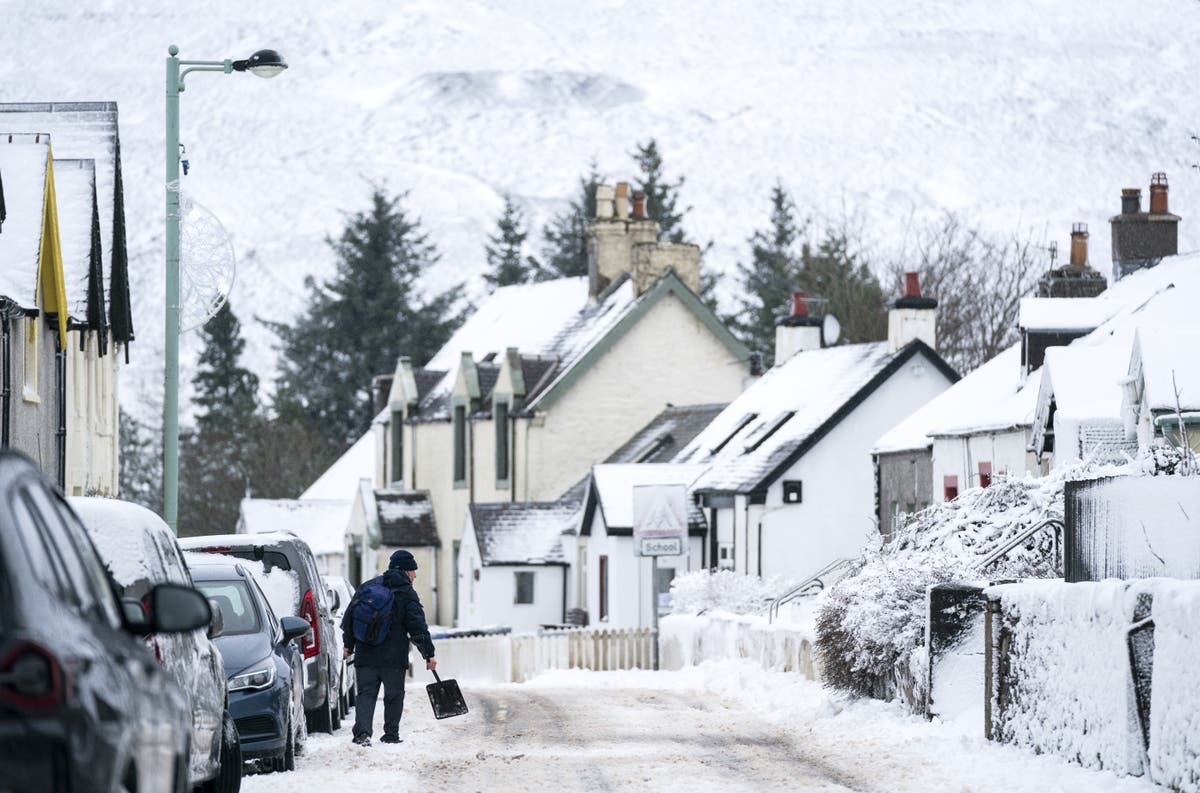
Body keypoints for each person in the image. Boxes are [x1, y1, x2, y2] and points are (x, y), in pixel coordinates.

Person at [342, 549, 436, 746]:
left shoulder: (368, 587)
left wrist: (348, 645)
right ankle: (391, 735)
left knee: (366, 695)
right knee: (394, 696)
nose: (415, 575)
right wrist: (428, 654)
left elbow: (350, 617)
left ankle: (362, 734)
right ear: (404, 571)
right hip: (393, 658)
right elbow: (418, 628)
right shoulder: (407, 594)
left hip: (366, 655)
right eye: (412, 571)